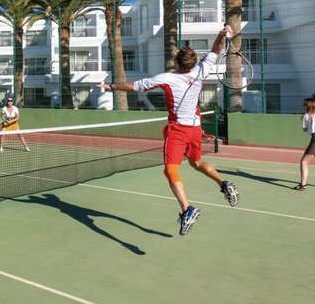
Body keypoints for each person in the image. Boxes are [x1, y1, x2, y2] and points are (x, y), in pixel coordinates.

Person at [96, 26, 239, 236]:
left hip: (178, 130)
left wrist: (112, 87)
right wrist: (221, 34)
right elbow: (216, 50)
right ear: (193, 61)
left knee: (170, 170)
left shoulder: (167, 78)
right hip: (195, 128)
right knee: (196, 162)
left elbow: (136, 86)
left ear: (176, 63)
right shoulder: (202, 69)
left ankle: (187, 209)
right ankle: (223, 183)